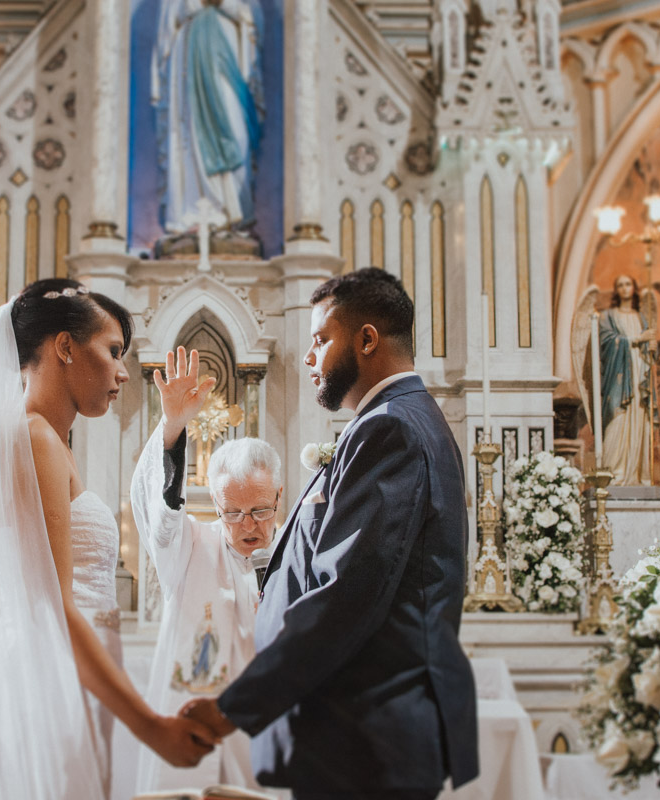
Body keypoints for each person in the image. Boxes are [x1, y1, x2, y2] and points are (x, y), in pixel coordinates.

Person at [0, 279, 217, 800]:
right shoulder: (34, 439)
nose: (124, 372)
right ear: (64, 346)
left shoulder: (44, 440)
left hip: (67, 676)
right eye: (114, 351)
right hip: (45, 683)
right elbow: (55, 607)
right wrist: (150, 726)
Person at [183, 268, 479, 800]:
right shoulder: (401, 420)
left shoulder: (391, 429)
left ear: (367, 339)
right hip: (358, 737)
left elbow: (344, 594)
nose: (308, 357)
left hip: (364, 740)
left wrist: (232, 708)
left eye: (321, 339)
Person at [132, 346, 282, 794]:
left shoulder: (296, 553)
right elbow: (160, 520)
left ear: (278, 497)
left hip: (261, 730)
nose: (247, 525)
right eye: (232, 512)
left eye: (258, 510)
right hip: (194, 719)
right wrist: (174, 428)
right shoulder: (191, 544)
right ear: (214, 505)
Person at [153, 0, 263, 232]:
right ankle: (191, 213)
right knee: (190, 130)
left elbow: (251, 16)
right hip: (189, 55)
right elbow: (169, 19)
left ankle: (233, 211)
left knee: (235, 126)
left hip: (228, 52)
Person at [600, 274, 654, 486]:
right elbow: (605, 343)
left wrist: (651, 349)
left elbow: (649, 351)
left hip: (639, 375)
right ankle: (614, 472)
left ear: (634, 288)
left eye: (628, 284)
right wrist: (635, 339)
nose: (624, 288)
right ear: (616, 290)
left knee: (639, 422)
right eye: (620, 285)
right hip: (619, 378)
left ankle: (636, 475)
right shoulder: (608, 316)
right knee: (617, 421)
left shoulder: (641, 317)